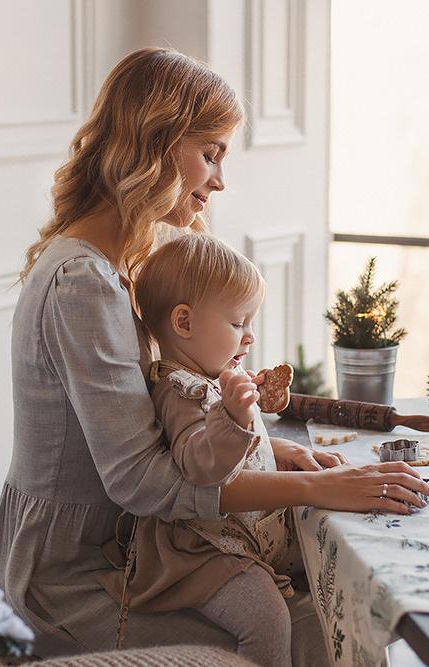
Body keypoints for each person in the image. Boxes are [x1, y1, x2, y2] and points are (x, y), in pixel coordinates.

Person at [0, 46, 429, 663]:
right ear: (157, 142)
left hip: (125, 551)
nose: (218, 182)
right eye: (210, 154)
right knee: (306, 628)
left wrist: (271, 451)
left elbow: (153, 435)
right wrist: (315, 490)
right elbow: (141, 483)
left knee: (315, 606)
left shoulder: (112, 266)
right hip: (67, 581)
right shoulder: (82, 283)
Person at [101, 233, 305, 667]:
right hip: (202, 549)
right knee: (267, 619)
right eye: (238, 324)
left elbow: (246, 445)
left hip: (238, 533)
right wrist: (233, 418)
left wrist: (268, 433)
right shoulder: (181, 391)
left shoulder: (211, 380)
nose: (249, 337)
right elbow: (200, 465)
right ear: (185, 323)